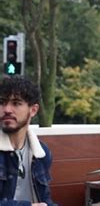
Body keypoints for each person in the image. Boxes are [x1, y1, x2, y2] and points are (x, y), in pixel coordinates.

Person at [0, 76, 56, 206]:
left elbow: (45, 200)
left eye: (16, 103)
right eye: (2, 102)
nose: (7, 109)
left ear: (33, 110)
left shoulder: (41, 152)